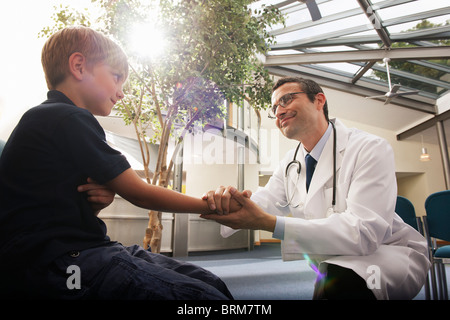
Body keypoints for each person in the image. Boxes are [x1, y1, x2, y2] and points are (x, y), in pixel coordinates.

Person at [0, 26, 232, 300]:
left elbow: (52, 211)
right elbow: (139, 193)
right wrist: (213, 207)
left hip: (75, 248)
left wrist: (95, 206)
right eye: (117, 77)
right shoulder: (66, 117)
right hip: (56, 262)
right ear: (78, 66)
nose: (121, 92)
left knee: (209, 281)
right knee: (203, 297)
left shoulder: (52, 121)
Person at [201, 77, 430, 300]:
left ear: (319, 100)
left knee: (345, 282)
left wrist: (267, 223)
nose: (278, 112)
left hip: (388, 254)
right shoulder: (290, 161)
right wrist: (221, 201)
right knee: (334, 279)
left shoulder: (369, 147)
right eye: (274, 108)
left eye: (287, 100)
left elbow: (364, 233)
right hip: (334, 259)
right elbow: (266, 200)